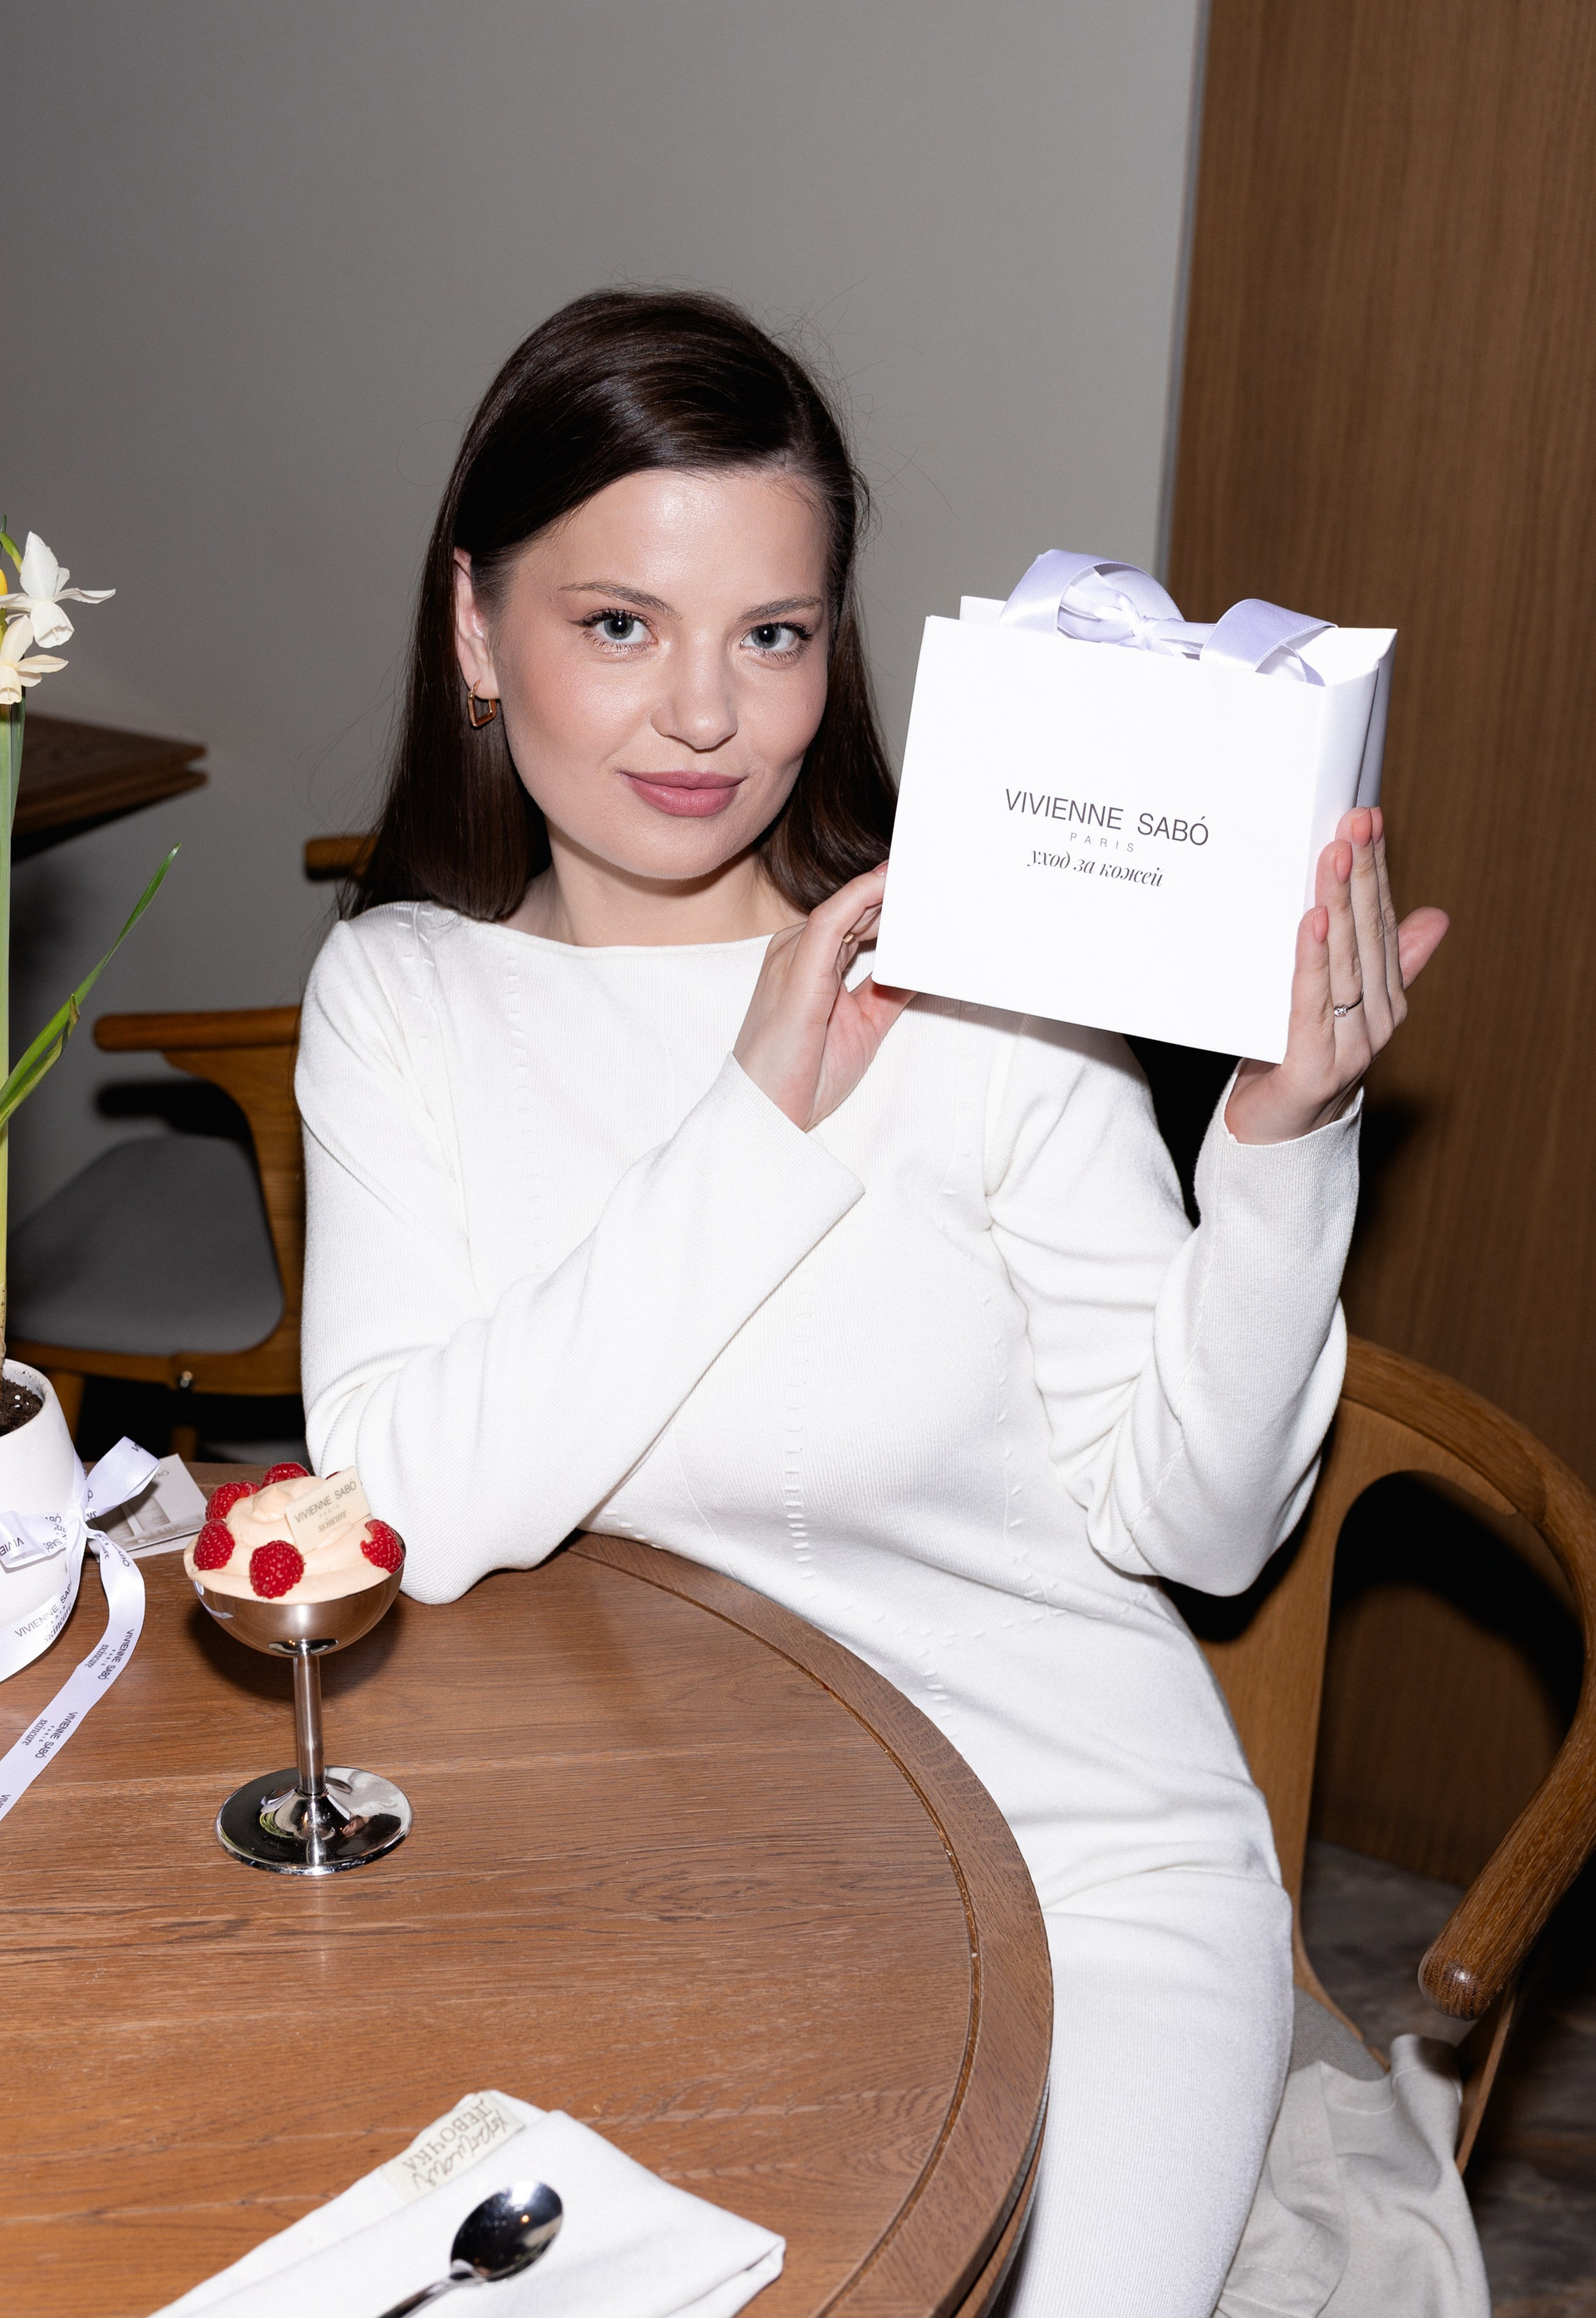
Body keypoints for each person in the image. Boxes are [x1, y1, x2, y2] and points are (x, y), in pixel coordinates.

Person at [296, 289, 1450, 2317]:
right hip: (663, 1874)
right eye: (620, 623)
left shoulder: (984, 985)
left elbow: (1197, 1528)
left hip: (1086, 1864)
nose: (705, 717)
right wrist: (757, 1114)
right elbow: (401, 1507)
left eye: (774, 633)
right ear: (475, 629)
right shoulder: (401, 1000)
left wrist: (1280, 1146)